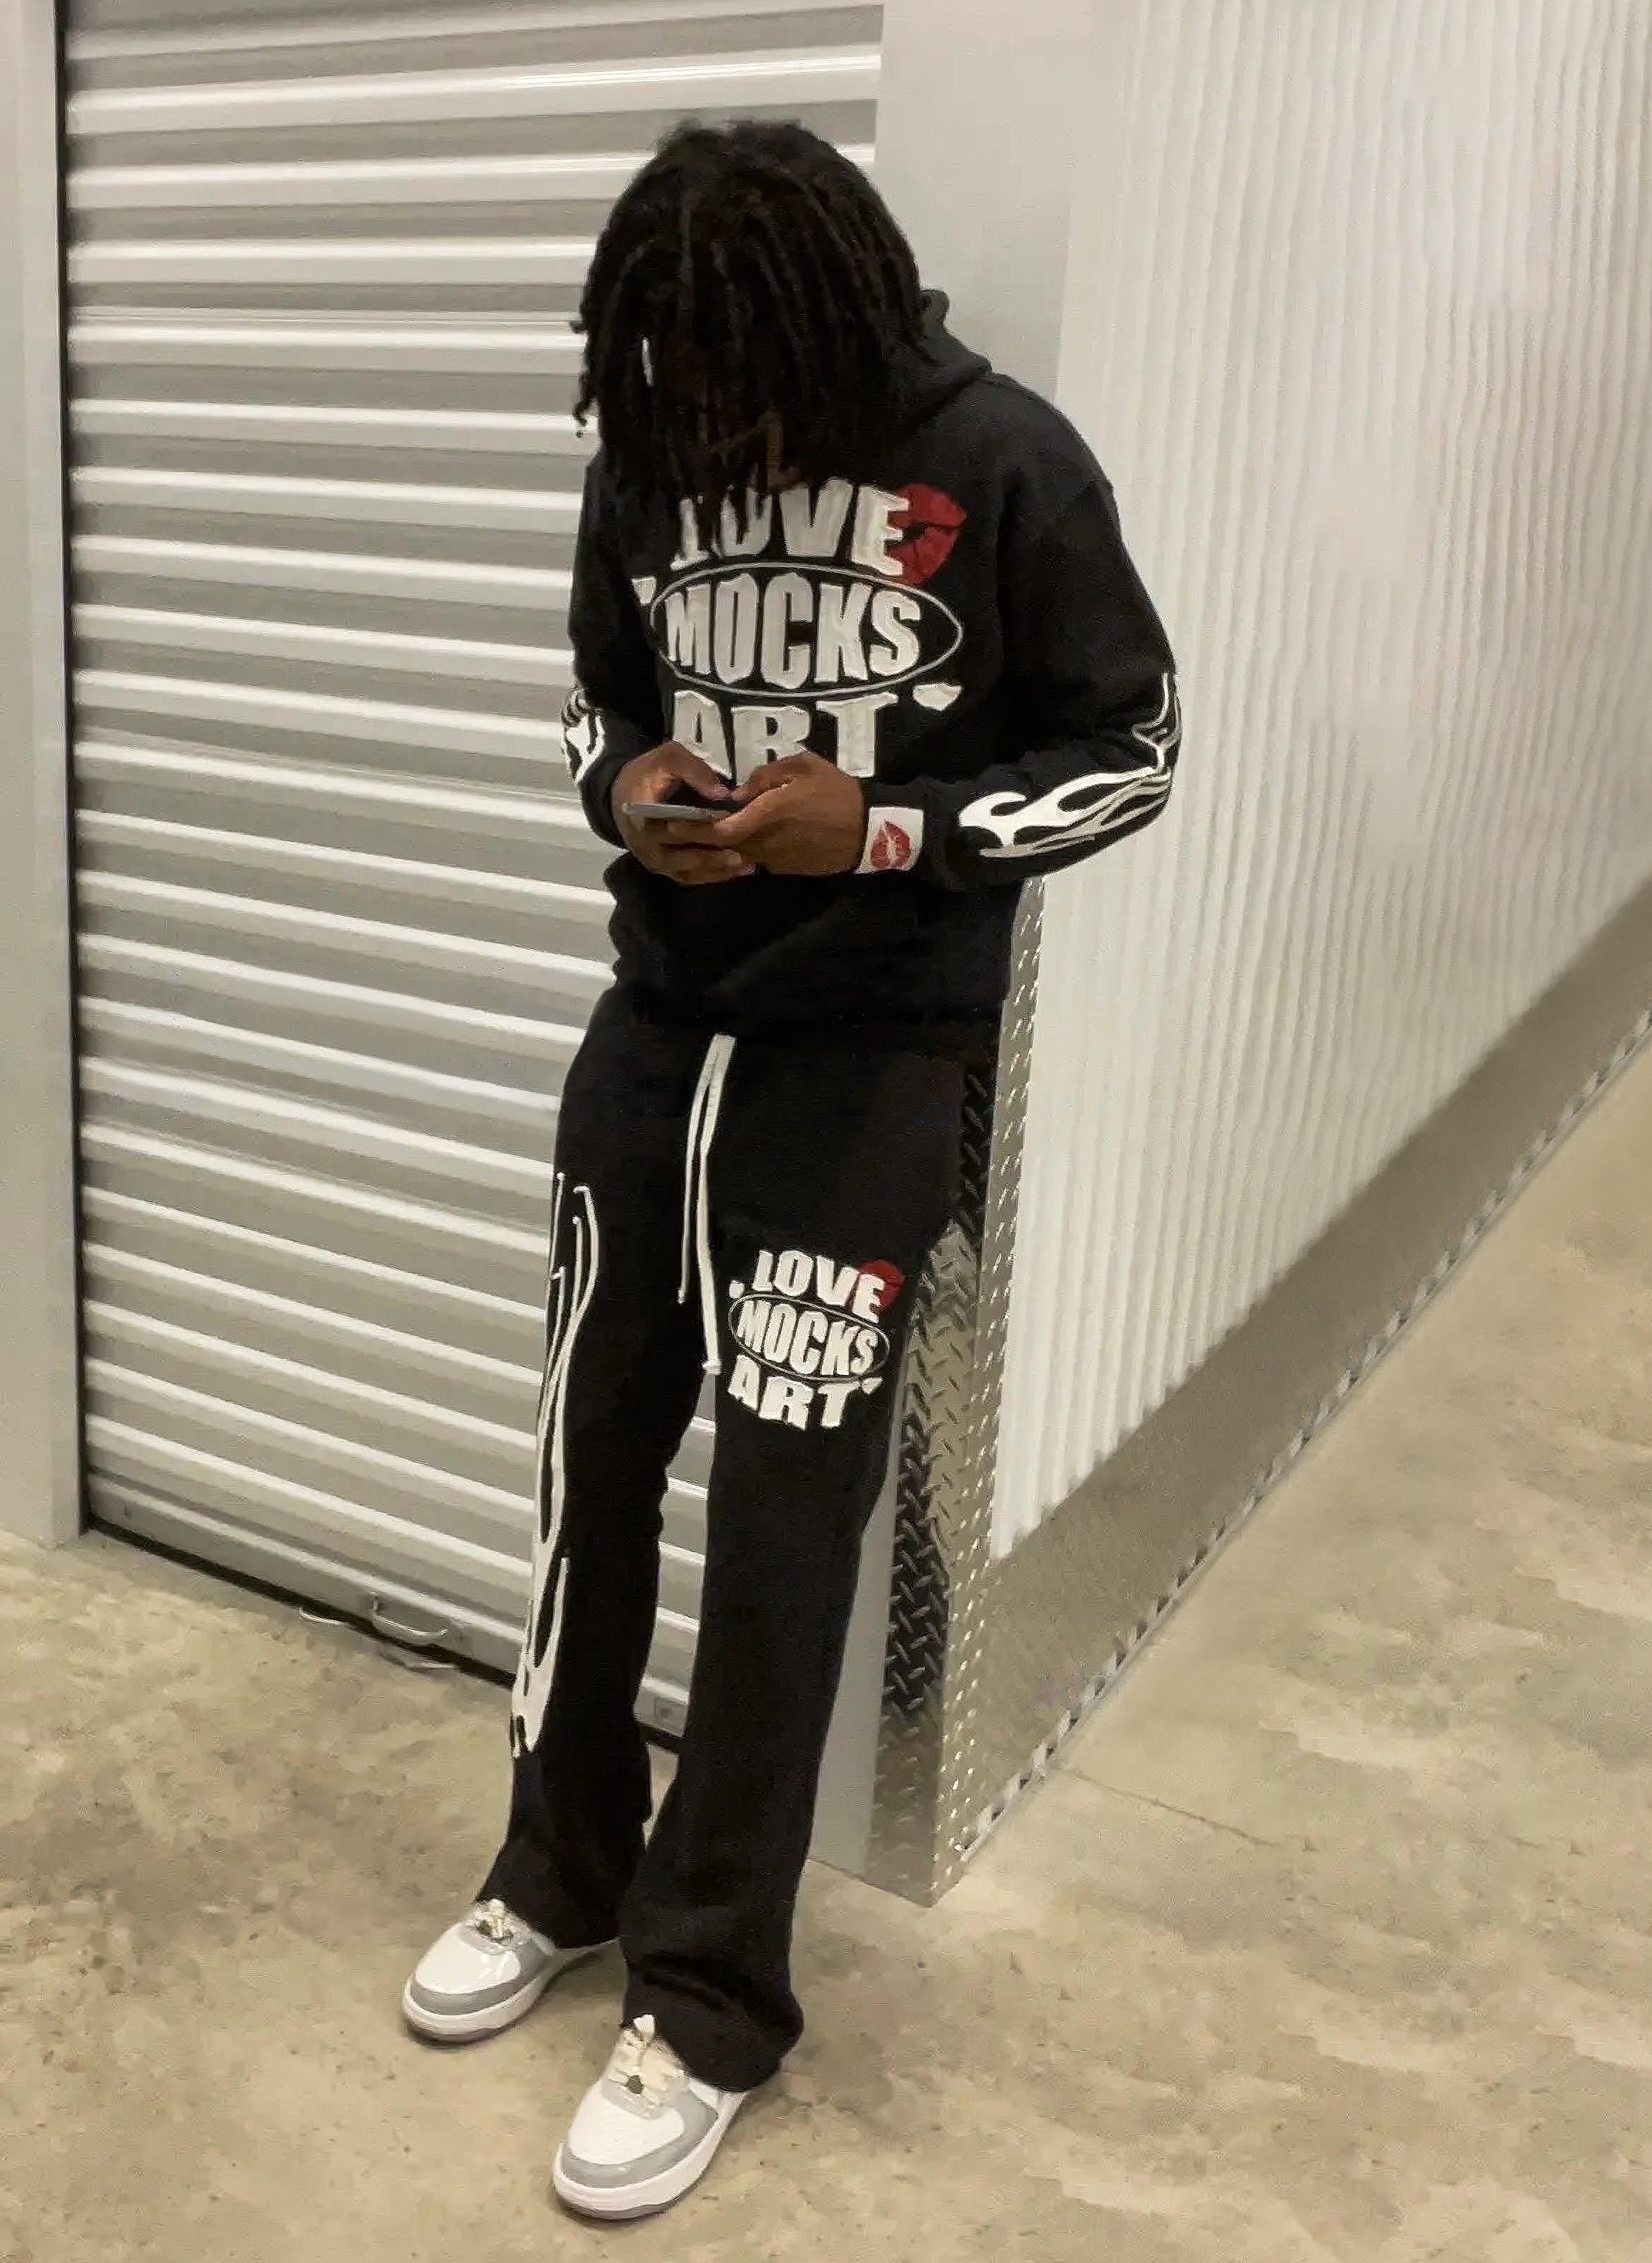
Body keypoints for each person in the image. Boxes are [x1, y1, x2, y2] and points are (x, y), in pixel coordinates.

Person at [402, 118, 1181, 2222]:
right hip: (656, 1037)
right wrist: (629, 789)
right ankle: (556, 1865)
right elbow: (590, 703)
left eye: (741, 382)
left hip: (867, 1069)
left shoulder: (1008, 462)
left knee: (782, 1534)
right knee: (586, 1466)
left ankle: (711, 1996)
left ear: (828, 327)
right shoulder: (653, 444)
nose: (710, 429)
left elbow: (1134, 751)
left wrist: (889, 829)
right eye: (674, 386)